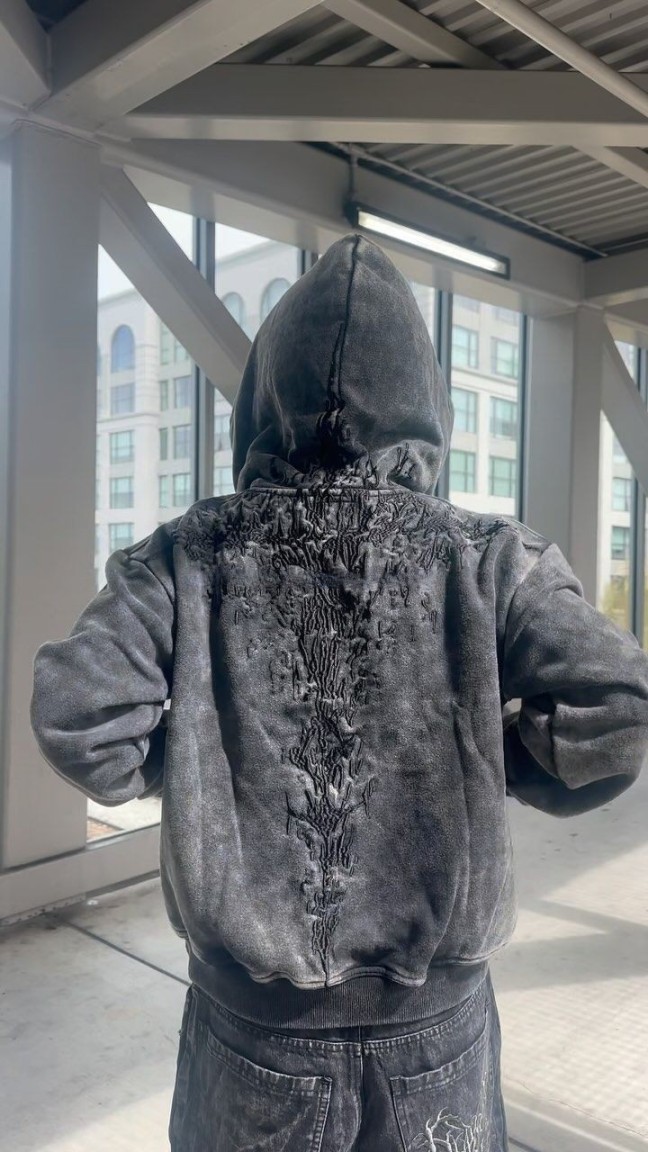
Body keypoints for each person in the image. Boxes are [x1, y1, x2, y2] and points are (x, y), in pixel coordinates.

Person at [30, 234, 648, 1151]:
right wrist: (492, 759)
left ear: (262, 398)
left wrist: (197, 765)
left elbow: (79, 711)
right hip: (436, 1032)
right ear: (424, 404)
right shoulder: (488, 556)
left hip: (254, 1036)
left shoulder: (188, 553)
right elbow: (620, 706)